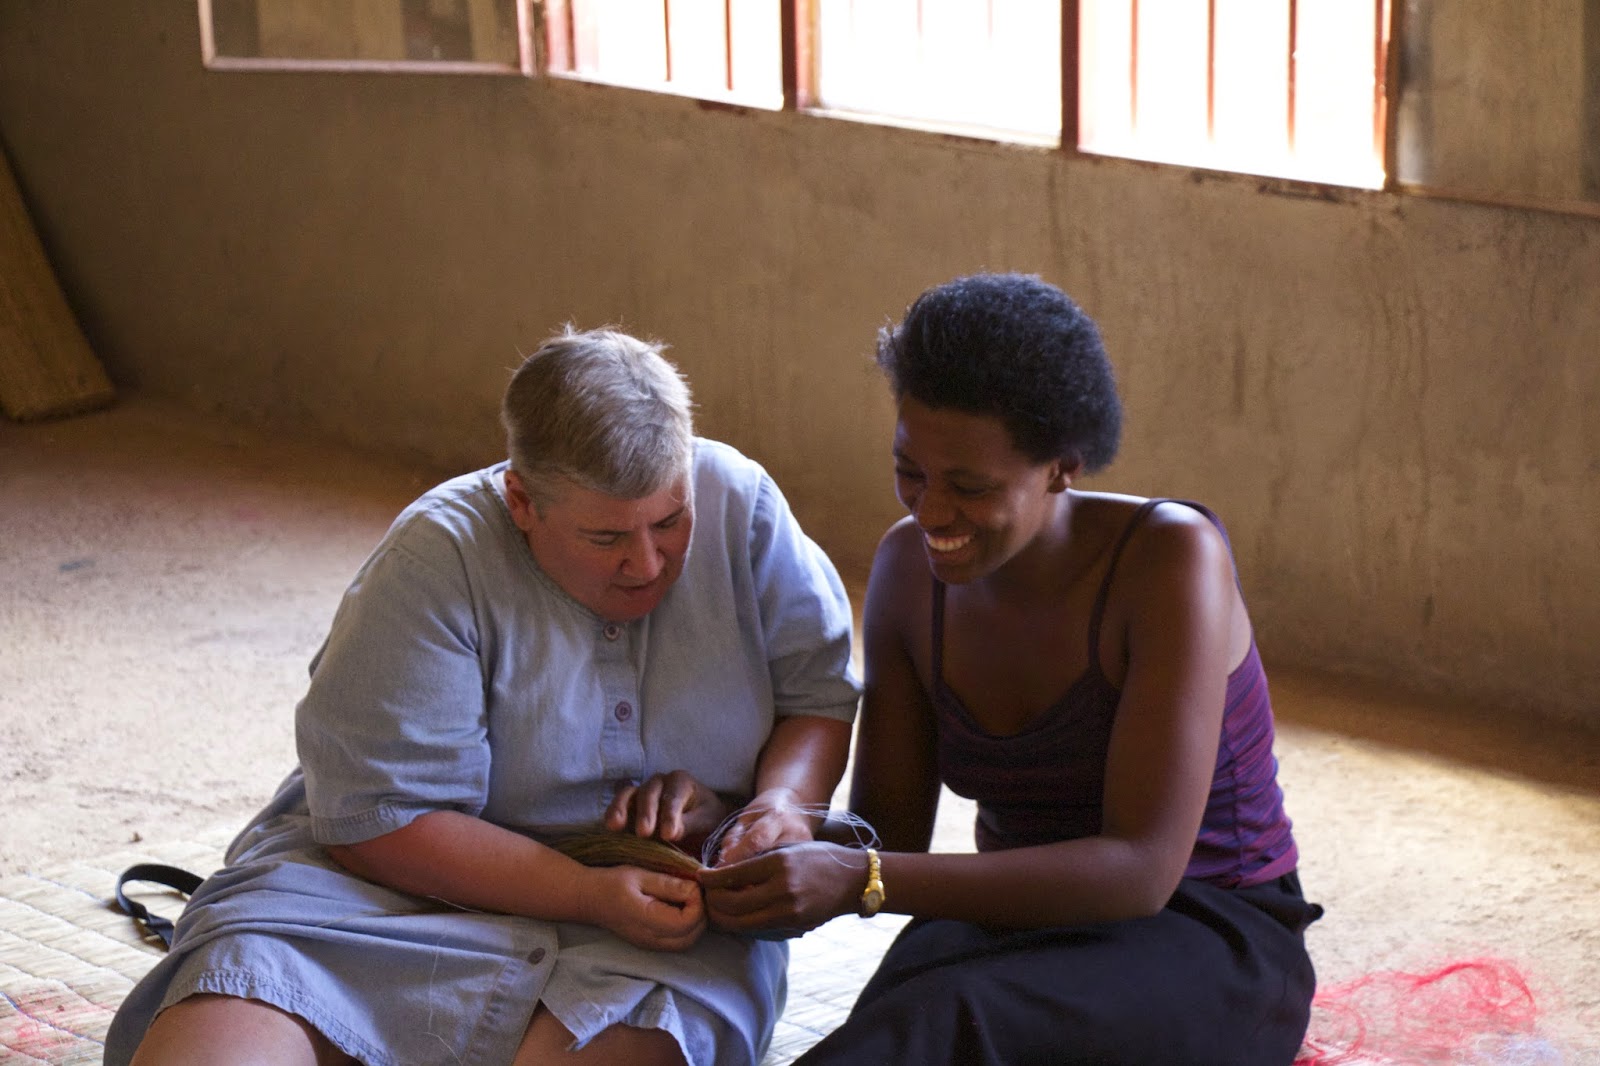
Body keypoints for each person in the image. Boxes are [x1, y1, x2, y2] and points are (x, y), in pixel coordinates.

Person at [106, 327, 862, 1066]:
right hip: (375, 900)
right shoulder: (435, 559)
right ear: (522, 501)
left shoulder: (743, 505)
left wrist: (781, 806)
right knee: (223, 1029)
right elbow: (374, 824)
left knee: (634, 1038)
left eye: (670, 521)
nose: (647, 562)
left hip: (652, 927)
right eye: (605, 538)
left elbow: (817, 693)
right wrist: (581, 891)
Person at [698, 273, 1323, 1064]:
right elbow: (885, 832)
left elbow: (1139, 872)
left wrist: (858, 878)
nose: (928, 511)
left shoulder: (1169, 560)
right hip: (1019, 918)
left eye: (969, 487)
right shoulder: (906, 572)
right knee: (897, 1029)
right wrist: (753, 822)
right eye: (910, 473)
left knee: (946, 1020)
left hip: (1207, 934)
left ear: (1062, 467)